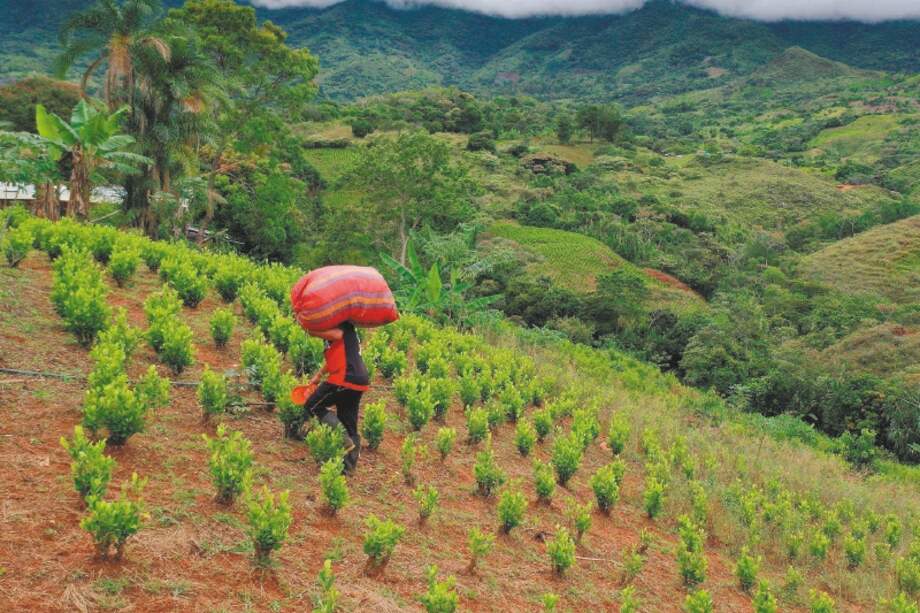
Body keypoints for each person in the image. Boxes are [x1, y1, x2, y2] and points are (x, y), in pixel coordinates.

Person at [303, 321, 369, 474]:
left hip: (344, 377)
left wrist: (312, 331)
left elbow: (337, 334)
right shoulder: (346, 329)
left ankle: (342, 438)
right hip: (358, 379)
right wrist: (319, 375)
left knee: (313, 405)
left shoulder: (341, 323)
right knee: (348, 421)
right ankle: (348, 468)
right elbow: (337, 355)